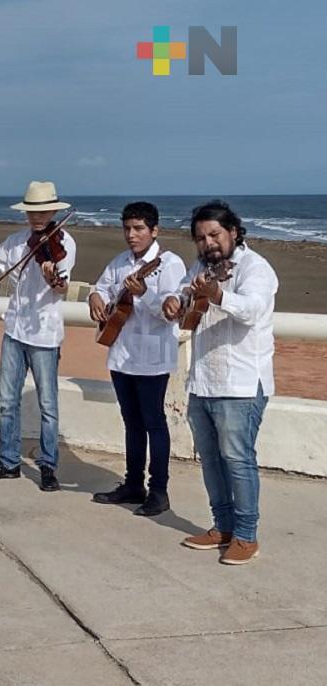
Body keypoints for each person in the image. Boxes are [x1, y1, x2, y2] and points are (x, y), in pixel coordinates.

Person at [162, 200, 278, 565]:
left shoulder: (256, 268)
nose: (208, 242)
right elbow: (182, 295)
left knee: (238, 460)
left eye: (214, 234)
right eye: (200, 237)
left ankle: (246, 535)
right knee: (210, 460)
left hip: (242, 383)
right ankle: (222, 526)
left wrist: (218, 295)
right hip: (204, 381)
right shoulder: (200, 267)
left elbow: (253, 309)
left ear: (233, 232)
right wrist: (173, 301)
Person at [0, 181, 76, 491]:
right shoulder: (17, 241)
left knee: (48, 404)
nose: (38, 217)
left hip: (44, 334)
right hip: (15, 330)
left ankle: (48, 466)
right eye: (32, 211)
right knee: (8, 400)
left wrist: (51, 278)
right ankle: (8, 462)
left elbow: (62, 288)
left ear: (54, 211)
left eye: (44, 211)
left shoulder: (65, 244)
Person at [88, 202, 186, 516]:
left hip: (153, 356)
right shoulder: (119, 262)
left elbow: (172, 311)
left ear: (154, 230)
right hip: (121, 353)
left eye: (139, 229)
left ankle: (159, 491)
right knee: (131, 423)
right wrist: (96, 299)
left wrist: (145, 293)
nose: (132, 235)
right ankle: (133, 484)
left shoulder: (169, 264)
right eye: (128, 228)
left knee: (154, 422)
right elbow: (101, 287)